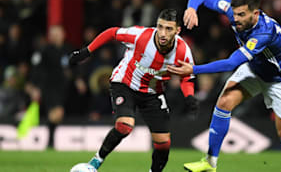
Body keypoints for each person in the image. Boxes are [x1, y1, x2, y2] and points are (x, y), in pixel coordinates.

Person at [167, 0, 281, 172]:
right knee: (224, 102)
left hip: (280, 80)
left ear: (255, 14)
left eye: (241, 15)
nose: (235, 19)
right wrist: (191, 8)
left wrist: (194, 70)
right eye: (235, 14)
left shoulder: (264, 33)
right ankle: (210, 162)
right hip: (254, 69)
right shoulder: (233, 11)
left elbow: (231, 63)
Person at [69, 9, 199, 172]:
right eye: (160, 27)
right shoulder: (141, 36)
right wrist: (86, 51)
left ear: (178, 30)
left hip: (152, 93)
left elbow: (186, 76)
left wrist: (189, 97)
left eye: (169, 29)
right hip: (125, 84)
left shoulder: (183, 52)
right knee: (125, 125)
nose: (163, 33)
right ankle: (95, 162)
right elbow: (112, 33)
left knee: (163, 143)